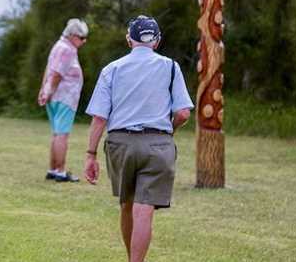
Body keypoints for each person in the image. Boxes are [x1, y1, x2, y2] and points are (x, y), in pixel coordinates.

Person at [83, 15, 193, 262]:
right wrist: (168, 130)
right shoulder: (171, 67)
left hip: (120, 144)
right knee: (144, 210)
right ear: (157, 41)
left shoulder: (112, 69)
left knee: (127, 205)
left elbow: (99, 118)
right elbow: (183, 113)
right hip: (158, 143)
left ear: (129, 40)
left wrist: (90, 154)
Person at [37, 18, 89, 183]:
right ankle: (60, 171)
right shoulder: (68, 49)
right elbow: (58, 73)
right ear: (73, 35)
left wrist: (44, 89)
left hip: (53, 95)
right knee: (62, 135)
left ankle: (52, 169)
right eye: (82, 38)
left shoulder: (58, 46)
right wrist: (50, 89)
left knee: (56, 133)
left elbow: (49, 69)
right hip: (64, 97)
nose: (83, 41)